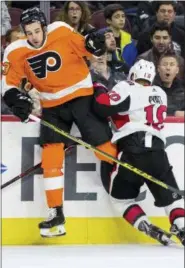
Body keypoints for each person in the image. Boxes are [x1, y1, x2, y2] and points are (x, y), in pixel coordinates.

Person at [2, 7, 117, 238]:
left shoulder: (62, 31)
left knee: (103, 148)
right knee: (51, 157)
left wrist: (95, 44)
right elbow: (7, 84)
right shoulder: (15, 51)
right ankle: (56, 214)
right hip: (52, 107)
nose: (34, 36)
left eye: (37, 30)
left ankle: (128, 176)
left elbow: (87, 48)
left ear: (44, 27)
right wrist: (16, 100)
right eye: (29, 32)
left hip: (81, 97)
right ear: (23, 31)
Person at [93, 59, 185, 246]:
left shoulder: (126, 86)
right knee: (172, 199)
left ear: (133, 74)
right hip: (159, 153)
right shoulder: (160, 93)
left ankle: (145, 225)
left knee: (121, 201)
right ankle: (181, 226)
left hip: (132, 150)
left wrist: (99, 87)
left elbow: (102, 105)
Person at [154, 52, 185, 117]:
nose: (168, 68)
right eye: (165, 64)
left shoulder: (182, 92)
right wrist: (174, 113)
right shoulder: (150, 89)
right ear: (158, 69)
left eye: (172, 65)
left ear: (177, 70)